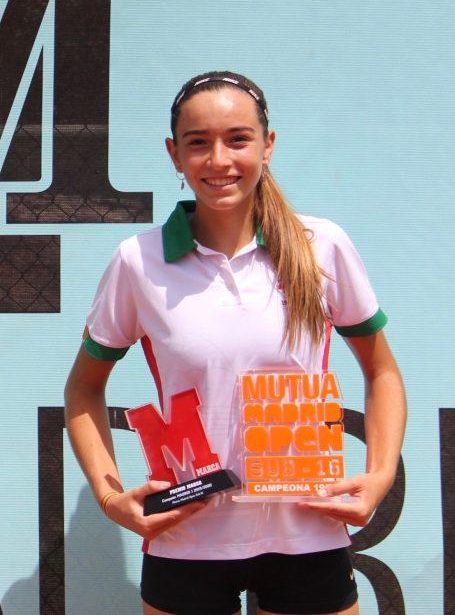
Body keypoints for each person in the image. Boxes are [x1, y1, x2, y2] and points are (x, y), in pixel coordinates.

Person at [64, 71, 404, 615]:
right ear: (174, 155)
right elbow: (83, 390)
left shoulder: (324, 248)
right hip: (187, 537)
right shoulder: (137, 261)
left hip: (309, 531)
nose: (219, 159)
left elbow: (382, 371)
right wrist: (110, 499)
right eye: (198, 143)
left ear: (268, 146)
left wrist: (381, 474)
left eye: (238, 139)